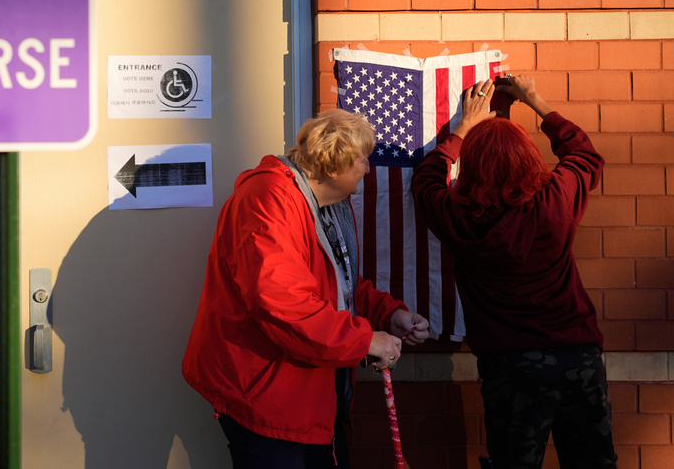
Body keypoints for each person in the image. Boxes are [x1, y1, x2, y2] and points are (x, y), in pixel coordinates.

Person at [182, 108, 430, 468]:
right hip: (265, 396)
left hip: (307, 391)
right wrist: (365, 339)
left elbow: (339, 284)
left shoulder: (325, 204)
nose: (367, 168)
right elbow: (283, 305)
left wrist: (390, 315)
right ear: (333, 167)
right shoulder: (267, 201)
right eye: (362, 159)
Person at [411, 75, 617, 469]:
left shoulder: (460, 216)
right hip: (579, 359)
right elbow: (584, 154)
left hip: (512, 368)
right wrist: (535, 100)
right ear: (529, 159)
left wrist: (461, 130)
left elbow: (425, 182)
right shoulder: (555, 199)